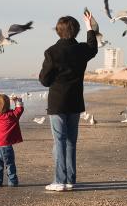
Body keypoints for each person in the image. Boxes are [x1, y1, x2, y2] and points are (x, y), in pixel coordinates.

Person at [39, 12, 98, 191]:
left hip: (58, 102)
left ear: (58, 31)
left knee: (59, 141)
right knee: (71, 141)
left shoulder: (52, 52)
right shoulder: (81, 50)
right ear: (76, 31)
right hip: (75, 101)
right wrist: (90, 26)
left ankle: (59, 181)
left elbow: (44, 80)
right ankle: (70, 180)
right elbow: (92, 47)